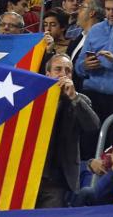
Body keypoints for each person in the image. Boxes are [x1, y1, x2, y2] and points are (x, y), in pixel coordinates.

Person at [39, 53, 99, 207]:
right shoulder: (35, 97)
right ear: (48, 74)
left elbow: (92, 126)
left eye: (68, 71)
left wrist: (74, 98)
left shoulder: (80, 100)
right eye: (58, 69)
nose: (63, 74)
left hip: (56, 181)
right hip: (28, 176)